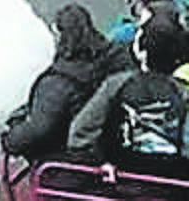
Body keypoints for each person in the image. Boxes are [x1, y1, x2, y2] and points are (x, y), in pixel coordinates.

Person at [1, 3, 135, 161]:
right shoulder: (118, 59)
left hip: (72, 160)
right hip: (113, 148)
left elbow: (37, 130)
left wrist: (9, 139)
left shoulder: (59, 82)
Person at [67, 10, 189, 178]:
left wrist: (100, 162)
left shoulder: (116, 85)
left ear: (142, 53)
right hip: (170, 187)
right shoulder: (182, 93)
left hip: (121, 183)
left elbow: (79, 135)